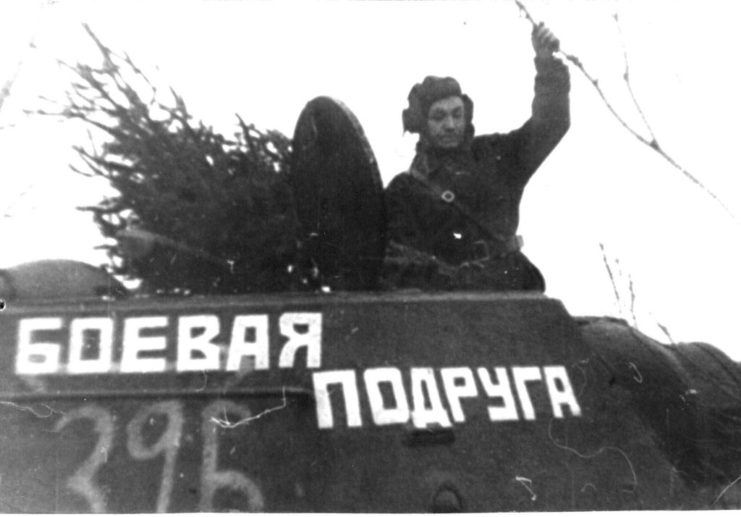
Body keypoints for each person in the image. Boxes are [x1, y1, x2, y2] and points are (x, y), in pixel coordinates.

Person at [384, 23, 570, 291]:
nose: (450, 125)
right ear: (422, 125)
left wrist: (548, 66)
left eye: (457, 114)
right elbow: (397, 265)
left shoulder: (496, 156)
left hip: (510, 288)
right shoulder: (405, 191)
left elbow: (551, 125)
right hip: (449, 304)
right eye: (439, 116)